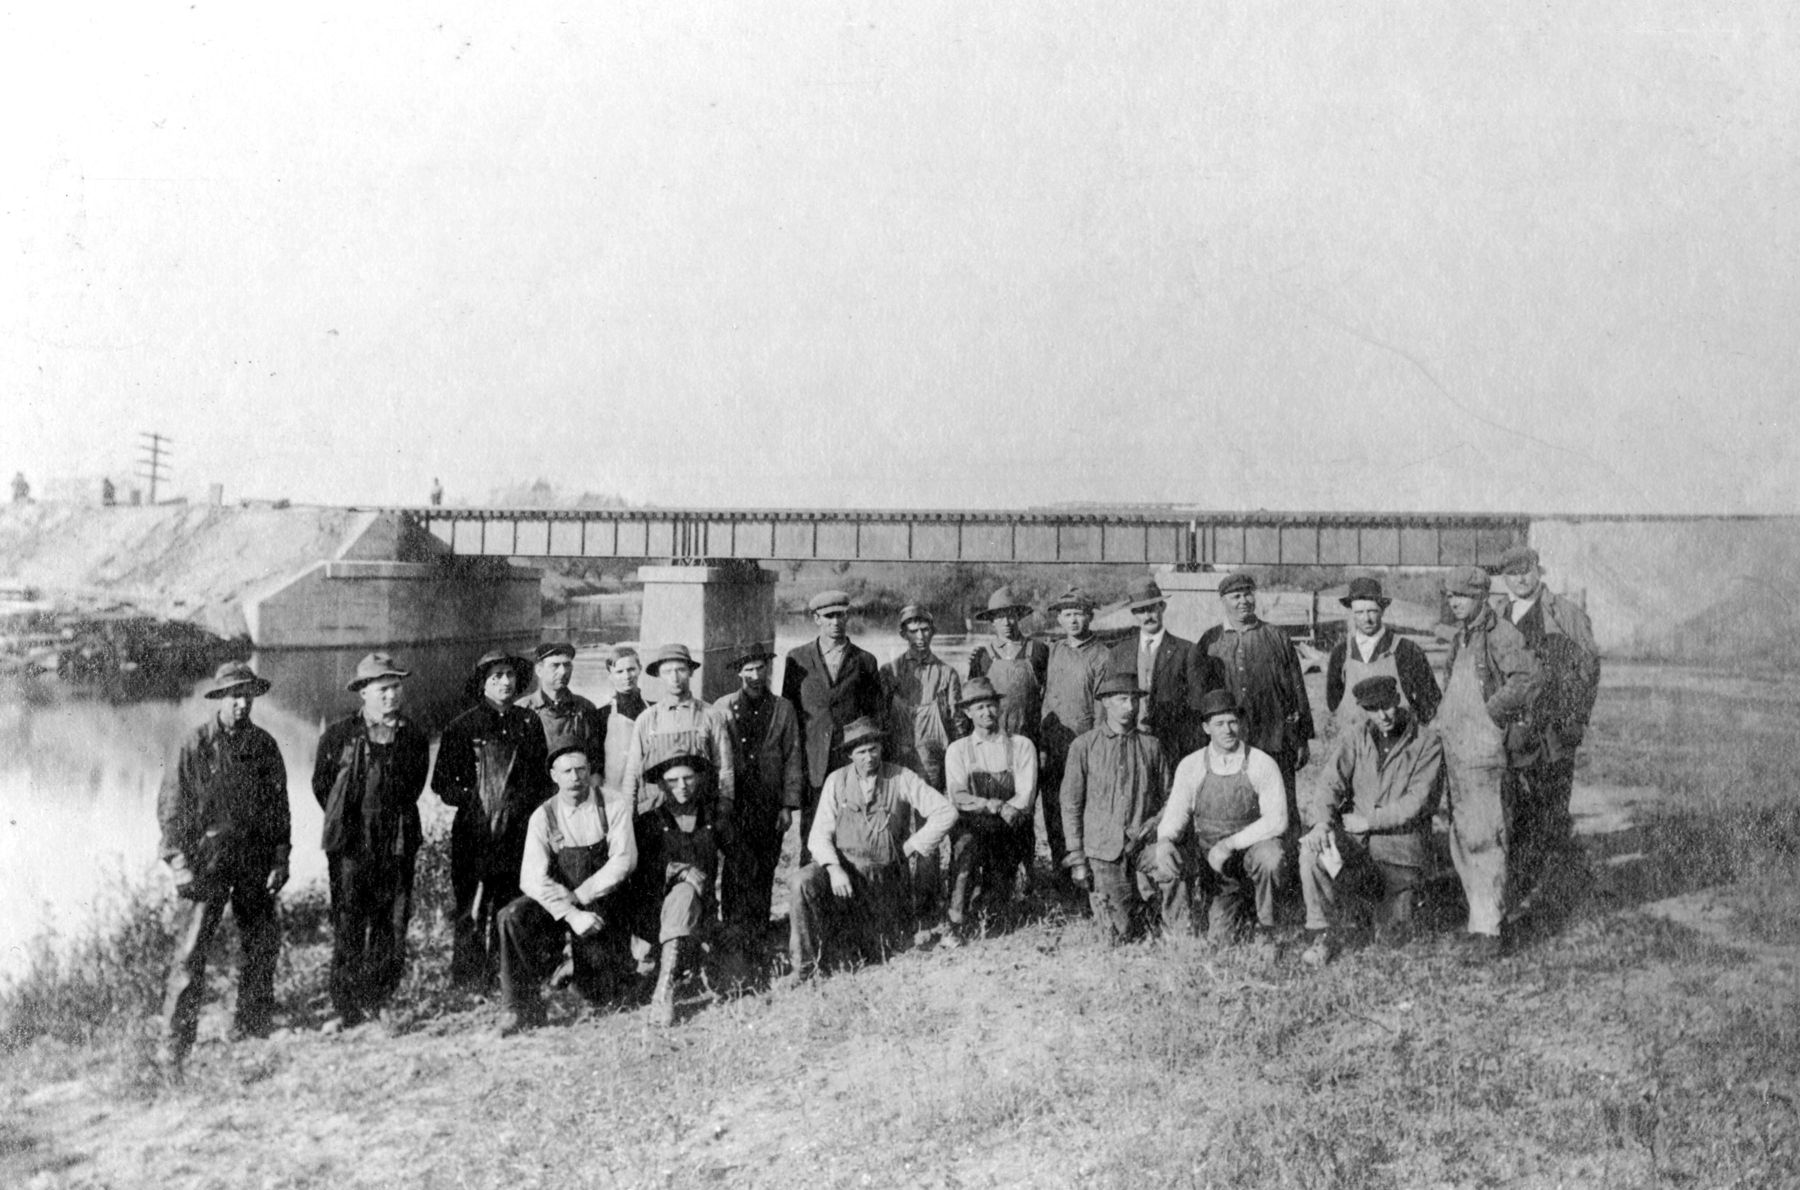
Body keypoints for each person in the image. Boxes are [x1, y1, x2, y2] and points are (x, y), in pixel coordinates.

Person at [156, 662, 291, 1073]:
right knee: (191, 953)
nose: (241, 704)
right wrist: (179, 861)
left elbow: (279, 809)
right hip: (207, 862)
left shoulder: (264, 745)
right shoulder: (194, 745)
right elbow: (172, 808)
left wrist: (280, 857)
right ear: (220, 699)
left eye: (247, 696)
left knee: (261, 942)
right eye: (234, 696)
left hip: (253, 860)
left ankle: (251, 1022)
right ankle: (174, 1044)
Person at [782, 717, 958, 983]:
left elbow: (946, 812)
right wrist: (834, 869)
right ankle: (804, 967)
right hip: (844, 874)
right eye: (861, 752)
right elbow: (818, 836)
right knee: (800, 882)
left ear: (881, 748)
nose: (869, 757)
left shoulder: (901, 777)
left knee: (875, 954)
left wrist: (912, 846)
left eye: (873, 749)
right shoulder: (836, 780)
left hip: (883, 879)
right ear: (850, 755)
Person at [310, 652, 432, 1028]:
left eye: (396, 687)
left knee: (390, 921)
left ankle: (379, 1000)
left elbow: (414, 786)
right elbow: (322, 786)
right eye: (383, 689)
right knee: (348, 919)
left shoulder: (413, 736)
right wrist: (350, 820)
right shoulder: (338, 735)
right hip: (350, 844)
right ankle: (345, 1007)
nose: (391, 695)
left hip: (395, 841)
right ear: (363, 692)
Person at [1296, 676, 1446, 965]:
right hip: (1356, 844)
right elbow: (1330, 782)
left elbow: (1418, 802)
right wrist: (1322, 823)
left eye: (1386, 706)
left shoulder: (1427, 742)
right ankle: (1323, 934)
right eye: (1373, 709)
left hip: (1400, 853)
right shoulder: (1358, 736)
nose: (1382, 715)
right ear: (1364, 709)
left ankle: (1369, 913)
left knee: (1391, 940)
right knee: (1312, 852)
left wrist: (1369, 821)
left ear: (1397, 700)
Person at [1438, 565, 1543, 960]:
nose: (1454, 602)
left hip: (1483, 753)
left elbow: (1529, 678)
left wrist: (1491, 714)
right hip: (1458, 754)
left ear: (1481, 597)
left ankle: (1490, 931)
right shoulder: (1461, 637)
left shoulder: (1501, 634)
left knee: (1485, 837)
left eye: (1462, 596)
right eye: (1450, 596)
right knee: (1464, 837)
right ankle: (1480, 921)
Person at [494, 746, 636, 1035]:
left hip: (601, 899)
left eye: (581, 769)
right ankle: (519, 1009)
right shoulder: (543, 815)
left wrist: (581, 895)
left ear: (590, 771)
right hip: (562, 904)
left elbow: (624, 860)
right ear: (554, 776)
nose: (575, 777)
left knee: (601, 998)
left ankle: (585, 976)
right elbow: (531, 878)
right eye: (567, 771)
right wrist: (571, 913)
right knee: (511, 916)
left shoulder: (613, 804)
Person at [432, 649, 551, 988]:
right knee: (472, 905)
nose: (504, 682)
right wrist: (473, 801)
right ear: (483, 683)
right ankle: (469, 979)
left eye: (509, 675)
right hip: (474, 832)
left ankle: (508, 974)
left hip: (518, 831)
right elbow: (442, 783)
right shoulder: (462, 726)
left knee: (511, 902)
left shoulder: (529, 723)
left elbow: (542, 779)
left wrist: (523, 808)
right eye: (496, 676)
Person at [1497, 545, 1601, 926]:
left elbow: (1589, 667)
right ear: (1504, 578)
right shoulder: (1498, 616)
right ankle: (1516, 893)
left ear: (1537, 570)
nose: (1521, 579)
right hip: (1512, 736)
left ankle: (1554, 897)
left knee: (1552, 814)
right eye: (1512, 573)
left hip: (1553, 734)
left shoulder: (1565, 613)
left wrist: (1576, 720)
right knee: (1515, 815)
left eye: (1526, 570)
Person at [1152, 689, 1288, 954]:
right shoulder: (1191, 765)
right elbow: (1176, 814)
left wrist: (1229, 844)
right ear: (1206, 728)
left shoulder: (1261, 763)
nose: (1228, 730)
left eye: (1233, 722)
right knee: (1221, 940)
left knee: (1271, 856)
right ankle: (1183, 930)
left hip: (1248, 851)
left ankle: (1267, 929)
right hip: (1212, 863)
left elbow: (1277, 820)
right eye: (1219, 724)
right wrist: (1165, 840)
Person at [1197, 573, 1315, 833]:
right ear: (1223, 600)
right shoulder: (1210, 642)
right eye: (1235, 596)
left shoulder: (1276, 636)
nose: (1243, 601)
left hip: (1274, 739)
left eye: (1248, 594)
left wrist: (1301, 737)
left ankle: (1288, 855)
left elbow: (1296, 688)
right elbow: (1202, 697)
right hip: (1232, 740)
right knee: (1236, 805)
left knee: (1282, 806)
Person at [1062, 672, 1173, 944]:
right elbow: (1071, 803)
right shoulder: (1084, 746)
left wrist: (1156, 822)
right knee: (1120, 932)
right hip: (1103, 851)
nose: (1130, 707)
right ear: (1105, 702)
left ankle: (1169, 924)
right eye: (1122, 699)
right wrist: (1077, 856)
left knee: (1172, 874)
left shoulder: (1152, 746)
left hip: (1144, 845)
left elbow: (1171, 797)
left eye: (1134, 700)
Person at [780, 589, 883, 859]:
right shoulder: (797, 658)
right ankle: (810, 880)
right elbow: (789, 715)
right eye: (828, 616)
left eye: (840, 615)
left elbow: (874, 716)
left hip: (850, 761)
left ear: (848, 617)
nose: (835, 622)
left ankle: (849, 881)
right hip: (813, 761)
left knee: (852, 828)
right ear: (816, 619)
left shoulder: (865, 660)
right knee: (812, 831)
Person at [714, 649, 804, 958]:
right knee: (735, 866)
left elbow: (793, 756)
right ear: (739, 673)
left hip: (769, 803)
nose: (755, 676)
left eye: (760, 669)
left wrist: (788, 805)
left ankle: (759, 931)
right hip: (735, 803)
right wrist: (720, 802)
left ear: (768, 670)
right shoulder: (723, 707)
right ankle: (732, 932)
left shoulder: (783, 708)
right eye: (749, 670)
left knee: (765, 867)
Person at [629, 754, 722, 1025]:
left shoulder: (712, 818)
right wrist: (679, 871)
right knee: (683, 893)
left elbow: (740, 862)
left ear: (699, 779)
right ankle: (664, 991)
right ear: (661, 784)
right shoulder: (648, 822)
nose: (682, 786)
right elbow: (639, 874)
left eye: (688, 778)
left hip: (703, 910)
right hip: (656, 913)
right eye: (672, 780)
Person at [943, 677, 1038, 941]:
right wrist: (989, 805)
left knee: (1000, 885)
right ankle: (956, 923)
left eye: (991, 705)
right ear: (967, 712)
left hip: (1010, 823)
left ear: (999, 706)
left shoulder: (1021, 745)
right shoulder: (958, 750)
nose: (987, 712)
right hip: (973, 824)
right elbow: (958, 796)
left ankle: (992, 911)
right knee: (965, 854)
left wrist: (1006, 811)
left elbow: (1026, 795)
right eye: (979, 708)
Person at [1038, 585, 1110, 881]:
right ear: (1059, 619)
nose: (1073, 620)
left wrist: (1095, 750)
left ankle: (1088, 876)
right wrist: (1042, 745)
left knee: (1081, 810)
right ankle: (1061, 876)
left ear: (1090, 617)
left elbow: (1102, 709)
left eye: (1079, 614)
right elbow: (1045, 699)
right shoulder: (1054, 651)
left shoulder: (1101, 655)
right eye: (1067, 615)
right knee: (1053, 810)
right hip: (1054, 745)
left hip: (1083, 746)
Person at [1108, 576, 1220, 762]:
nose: (1147, 616)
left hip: (1173, 742)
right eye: (1141, 611)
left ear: (1162, 607)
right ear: (1134, 614)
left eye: (1152, 608)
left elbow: (1197, 704)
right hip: (1130, 739)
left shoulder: (1187, 651)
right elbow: (1109, 702)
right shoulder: (1119, 652)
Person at [620, 643, 736, 821]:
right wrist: (628, 812)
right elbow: (633, 771)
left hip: (701, 812)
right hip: (657, 813)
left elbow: (724, 767)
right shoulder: (647, 719)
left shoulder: (710, 715)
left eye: (681, 670)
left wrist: (725, 805)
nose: (674, 678)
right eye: (667, 672)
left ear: (691, 672)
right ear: (659, 675)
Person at [1323, 577, 1441, 740]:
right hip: (1354, 745)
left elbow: (1431, 701)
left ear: (1383, 610)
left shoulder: (1407, 650)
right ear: (1351, 613)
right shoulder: (1340, 653)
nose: (1366, 618)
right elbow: (1333, 703)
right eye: (1359, 612)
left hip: (1399, 745)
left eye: (1372, 611)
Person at [880, 603, 964, 790]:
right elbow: (881, 717)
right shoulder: (889, 672)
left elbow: (957, 720)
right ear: (903, 634)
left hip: (932, 756)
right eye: (913, 631)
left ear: (933, 632)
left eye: (925, 630)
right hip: (897, 752)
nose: (920, 637)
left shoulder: (947, 673)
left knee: (931, 803)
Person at [966, 585, 1049, 746]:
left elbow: (1048, 697)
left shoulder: (1038, 650)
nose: (1006, 623)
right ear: (992, 621)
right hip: (993, 739)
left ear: (1018, 617)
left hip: (1030, 737)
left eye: (1010, 616)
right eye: (999, 617)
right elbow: (972, 703)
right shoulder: (982, 656)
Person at [517, 642, 604, 761]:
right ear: (539, 670)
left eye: (567, 665)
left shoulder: (585, 707)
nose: (563, 671)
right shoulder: (522, 709)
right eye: (555, 665)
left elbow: (594, 756)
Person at [595, 645, 648, 791]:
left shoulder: (654, 710)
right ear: (610, 675)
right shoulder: (600, 715)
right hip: (615, 794)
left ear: (640, 669)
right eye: (619, 671)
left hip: (649, 793)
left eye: (631, 669)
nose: (627, 676)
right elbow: (596, 768)